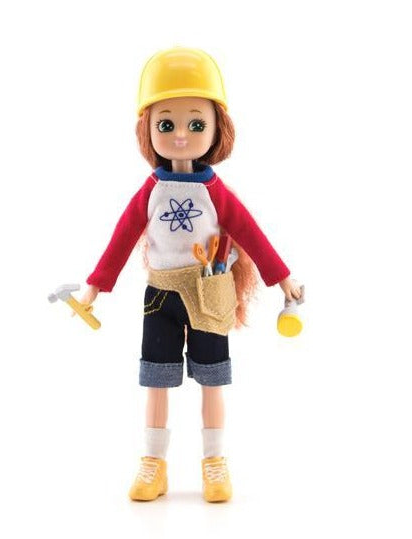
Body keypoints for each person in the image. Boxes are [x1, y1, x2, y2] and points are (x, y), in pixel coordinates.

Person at [80, 47, 301, 502]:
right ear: (148, 129)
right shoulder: (151, 191)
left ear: (219, 128)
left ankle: (214, 462)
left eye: (196, 125)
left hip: (208, 292)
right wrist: (95, 287)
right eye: (167, 125)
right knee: (156, 379)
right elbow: (122, 238)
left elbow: (252, 235)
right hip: (161, 296)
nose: (181, 135)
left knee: (213, 378)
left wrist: (283, 278)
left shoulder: (217, 193)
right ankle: (154, 463)